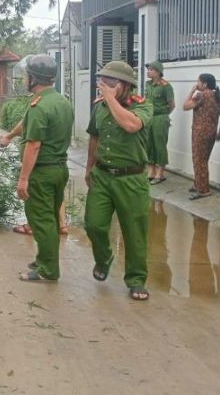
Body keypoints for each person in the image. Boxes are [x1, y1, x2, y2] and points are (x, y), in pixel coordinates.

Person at [84, 61, 153, 301]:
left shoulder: (142, 106)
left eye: (111, 82)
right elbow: (94, 138)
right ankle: (104, 258)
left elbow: (131, 125)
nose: (105, 86)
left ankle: (136, 280)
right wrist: (89, 168)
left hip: (131, 179)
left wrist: (110, 99)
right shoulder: (99, 107)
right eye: (103, 81)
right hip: (102, 175)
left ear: (125, 85)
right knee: (93, 224)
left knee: (134, 232)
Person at [9, 55, 74, 282]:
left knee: (41, 220)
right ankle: (45, 259)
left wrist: (23, 178)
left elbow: (33, 145)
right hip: (59, 169)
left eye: (27, 75)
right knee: (51, 218)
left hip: (42, 172)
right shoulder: (62, 102)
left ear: (34, 78)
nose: (25, 79)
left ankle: (48, 268)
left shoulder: (39, 106)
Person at [182, 73, 220, 200]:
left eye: (198, 82)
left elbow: (185, 106)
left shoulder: (201, 95)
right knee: (203, 160)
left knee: (199, 161)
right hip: (211, 132)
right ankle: (198, 184)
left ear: (205, 84)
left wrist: (192, 91)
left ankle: (204, 190)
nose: (197, 84)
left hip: (200, 133)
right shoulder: (216, 95)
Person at [144, 61, 175, 185]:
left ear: (158, 72)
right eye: (148, 69)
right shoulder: (148, 85)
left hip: (160, 118)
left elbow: (172, 105)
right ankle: (151, 171)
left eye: (151, 69)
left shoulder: (166, 86)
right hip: (149, 118)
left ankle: (160, 173)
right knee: (148, 144)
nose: (148, 71)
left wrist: (163, 115)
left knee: (160, 145)